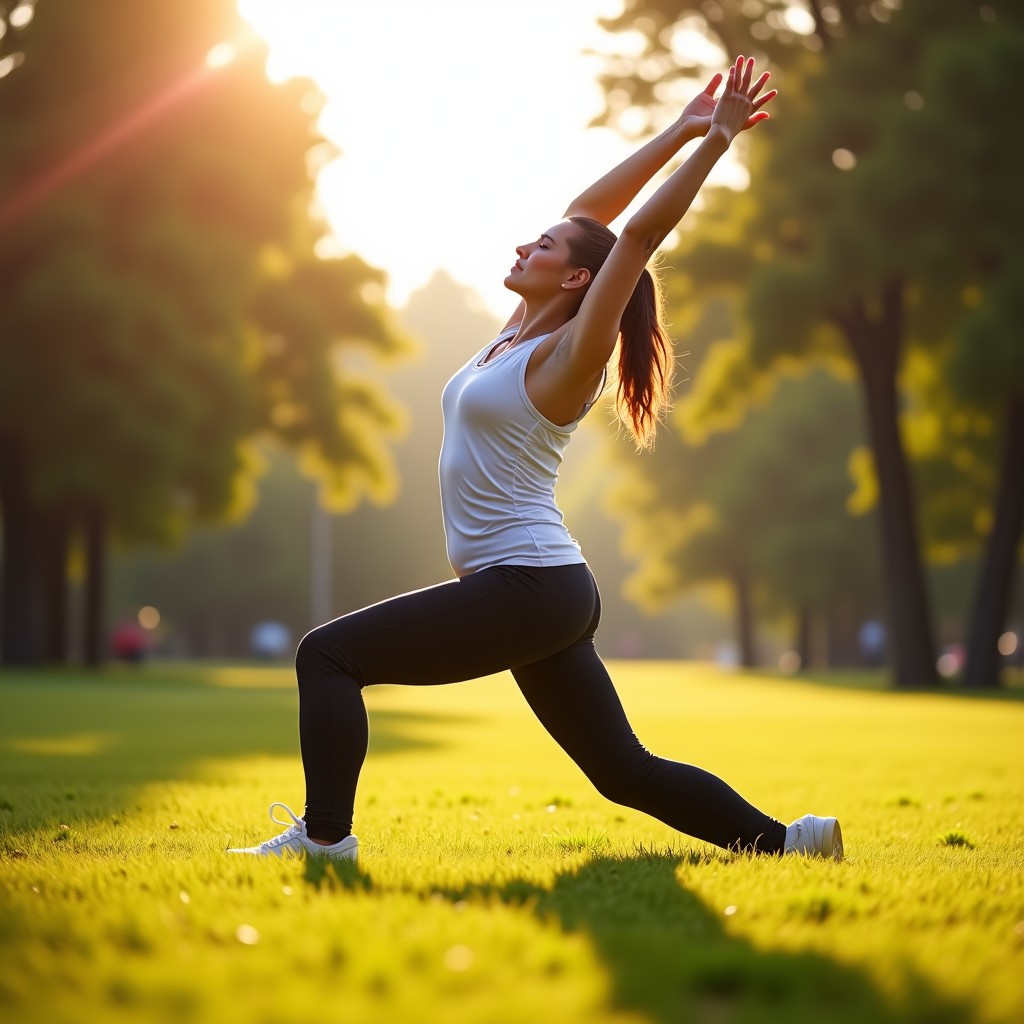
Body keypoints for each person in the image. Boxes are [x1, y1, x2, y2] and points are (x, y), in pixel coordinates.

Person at [229, 56, 843, 863]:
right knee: (621, 771)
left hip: (529, 585)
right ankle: (793, 842)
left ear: (579, 277)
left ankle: (324, 840)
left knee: (328, 655)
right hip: (539, 589)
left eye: (544, 246)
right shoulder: (512, 336)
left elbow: (635, 236)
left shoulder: (568, 356)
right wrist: (681, 125)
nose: (526, 244)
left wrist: (717, 142)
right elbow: (590, 215)